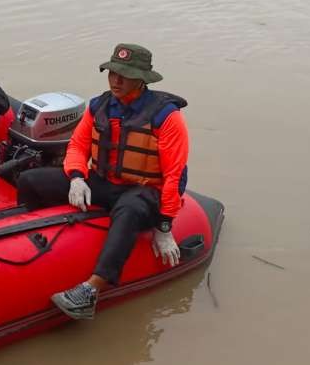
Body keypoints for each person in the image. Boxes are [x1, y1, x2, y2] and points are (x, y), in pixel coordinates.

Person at [16, 44, 190, 320]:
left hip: (143, 191)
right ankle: (24, 247)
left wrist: (165, 225)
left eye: (124, 75)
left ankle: (90, 292)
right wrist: (76, 177)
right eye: (112, 73)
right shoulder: (99, 106)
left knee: (130, 210)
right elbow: (77, 147)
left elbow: (175, 174)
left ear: (142, 79)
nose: (115, 80)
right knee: (30, 180)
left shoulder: (166, 117)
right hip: (103, 182)